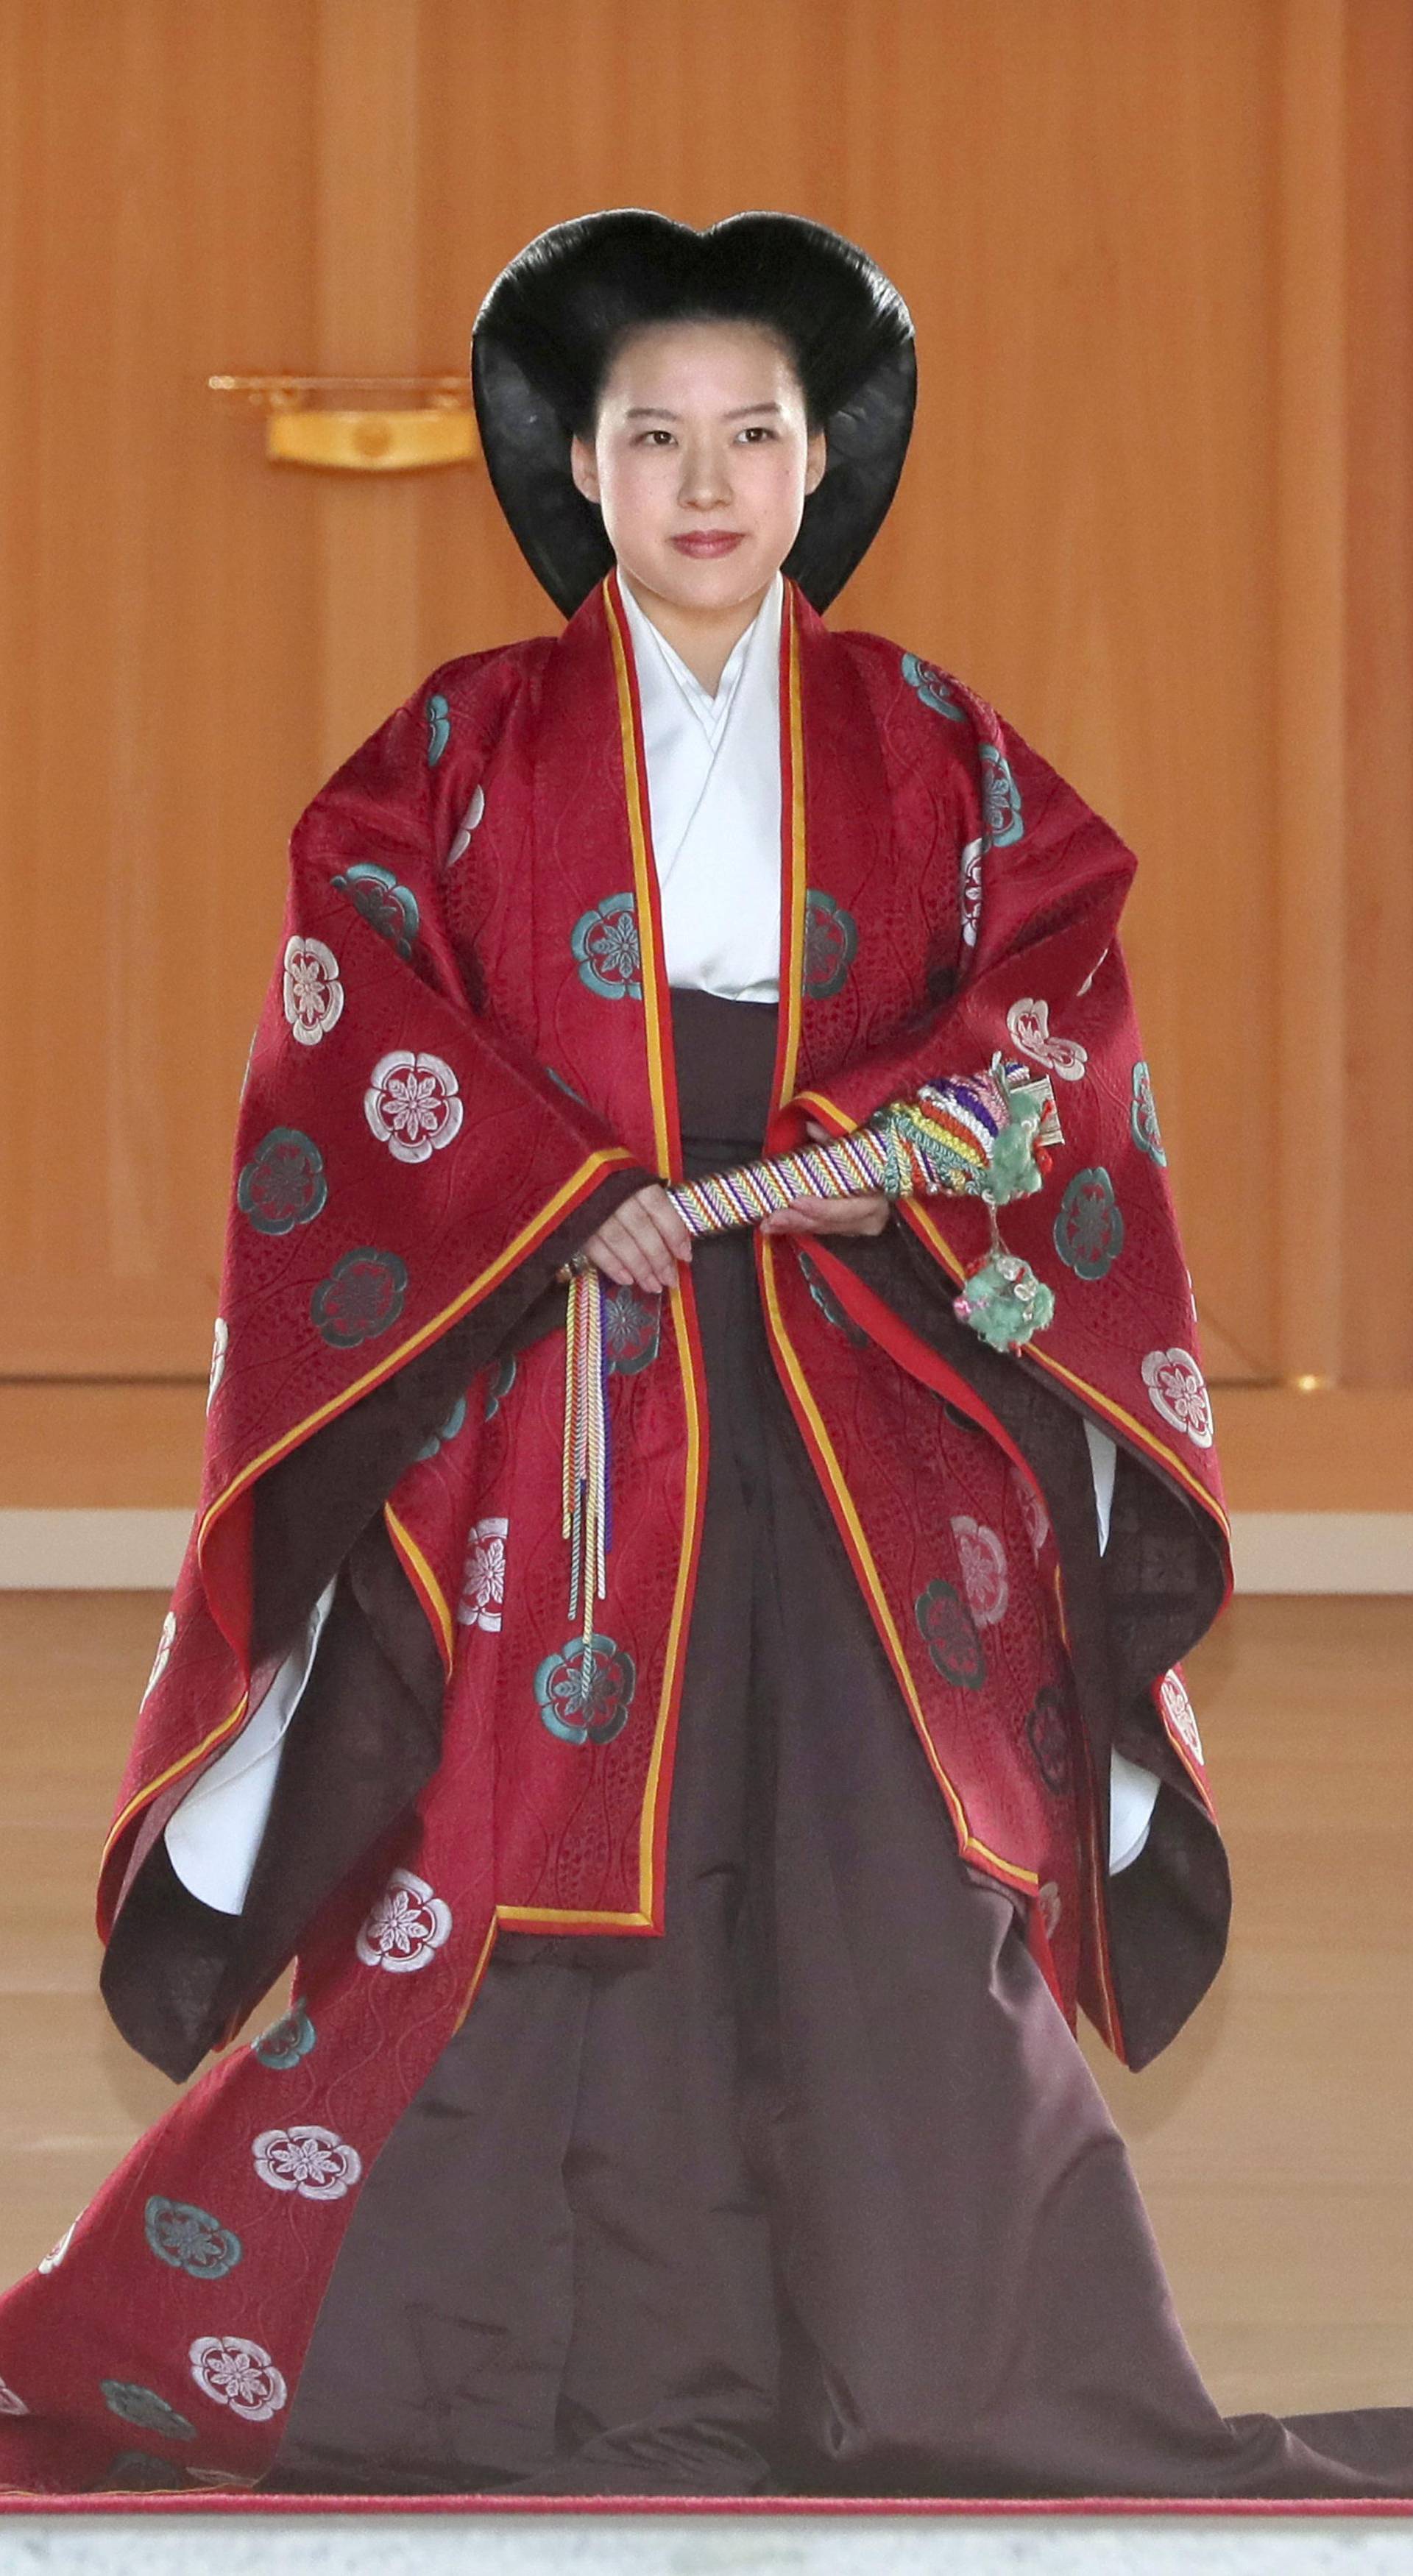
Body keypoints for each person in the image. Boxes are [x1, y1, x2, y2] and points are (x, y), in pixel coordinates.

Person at [0, 210, 1407, 2502]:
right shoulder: (457, 749)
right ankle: (451, 2381)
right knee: (522, 1850)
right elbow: (353, 1040)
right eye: (650, 435)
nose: (707, 480)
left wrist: (888, 1143)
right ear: (577, 459)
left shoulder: (936, 739)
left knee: (891, 1839)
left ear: (820, 455)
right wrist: (568, 1195)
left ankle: (941, 2371)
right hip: (562, 1355)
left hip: (867, 1353)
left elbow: (1055, 995)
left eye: (755, 431)